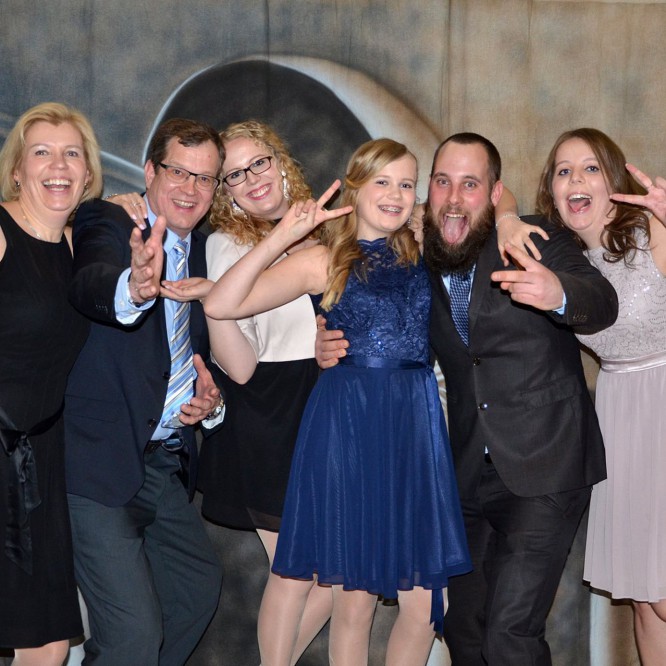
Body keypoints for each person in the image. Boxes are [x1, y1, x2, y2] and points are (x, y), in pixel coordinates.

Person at [317, 132, 618, 665]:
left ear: (495, 192)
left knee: (510, 632)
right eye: (443, 182)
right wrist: (326, 343)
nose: (455, 198)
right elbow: (372, 319)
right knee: (461, 628)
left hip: (546, 465)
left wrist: (558, 294)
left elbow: (601, 300)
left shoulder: (533, 238)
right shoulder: (414, 258)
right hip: (464, 476)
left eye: (470, 184)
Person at [184, 138, 472, 665]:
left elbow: (486, 199)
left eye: (407, 184)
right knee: (354, 602)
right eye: (382, 181)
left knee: (428, 605)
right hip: (351, 426)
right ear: (355, 188)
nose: (395, 194)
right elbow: (222, 303)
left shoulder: (422, 243)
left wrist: (510, 219)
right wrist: (283, 237)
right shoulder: (323, 258)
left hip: (413, 428)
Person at [115, 119, 332, 662]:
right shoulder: (228, 243)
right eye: (234, 175)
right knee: (300, 573)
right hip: (270, 417)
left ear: (280, 161)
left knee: (336, 576)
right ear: (225, 193)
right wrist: (217, 297)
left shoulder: (330, 224)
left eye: (258, 162)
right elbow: (239, 366)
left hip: (328, 408)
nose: (251, 178)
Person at [64, 118, 225, 666]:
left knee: (195, 590)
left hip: (163, 463)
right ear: (150, 171)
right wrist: (133, 288)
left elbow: (196, 354)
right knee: (133, 635)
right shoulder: (110, 220)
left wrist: (210, 404)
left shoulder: (206, 251)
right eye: (178, 171)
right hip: (98, 463)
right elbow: (90, 280)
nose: (190, 188)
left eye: (204, 178)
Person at [527, 128, 666, 665]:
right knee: (644, 598)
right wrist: (511, 220)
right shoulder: (564, 264)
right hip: (619, 416)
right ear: (553, 191)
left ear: (614, 181)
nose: (576, 179)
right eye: (563, 171)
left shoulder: (651, 230)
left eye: (590, 168)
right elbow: (498, 202)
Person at [0, 102, 102, 665]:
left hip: (40, 461)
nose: (58, 165)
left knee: (48, 645)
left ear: (87, 173)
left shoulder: (81, 248)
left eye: (71, 154)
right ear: (17, 170)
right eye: (41, 152)